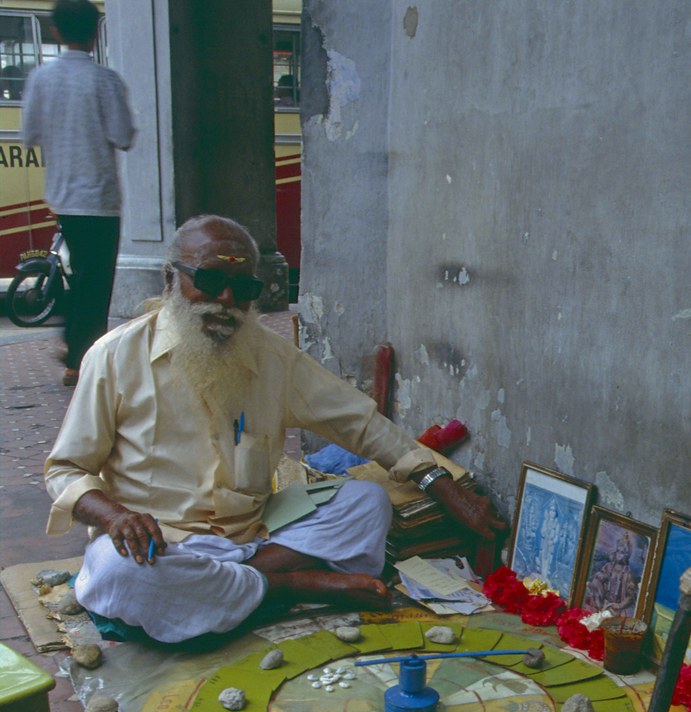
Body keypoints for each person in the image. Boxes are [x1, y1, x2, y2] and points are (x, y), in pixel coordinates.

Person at [45, 214, 506, 645]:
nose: (226, 300)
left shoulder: (272, 357)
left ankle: (235, 589)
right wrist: (113, 517)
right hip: (162, 547)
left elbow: (360, 423)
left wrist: (440, 484)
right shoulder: (114, 356)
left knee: (366, 502)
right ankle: (289, 586)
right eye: (209, 281)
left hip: (254, 539)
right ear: (171, 280)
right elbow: (66, 470)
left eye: (242, 287)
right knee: (114, 571)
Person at [21, 0, 135, 386]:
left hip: (63, 196)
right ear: (96, 31)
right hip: (100, 197)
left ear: (55, 32)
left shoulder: (40, 78)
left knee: (81, 273)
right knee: (96, 277)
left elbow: (30, 134)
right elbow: (122, 135)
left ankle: (76, 346)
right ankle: (82, 355)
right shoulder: (105, 80)